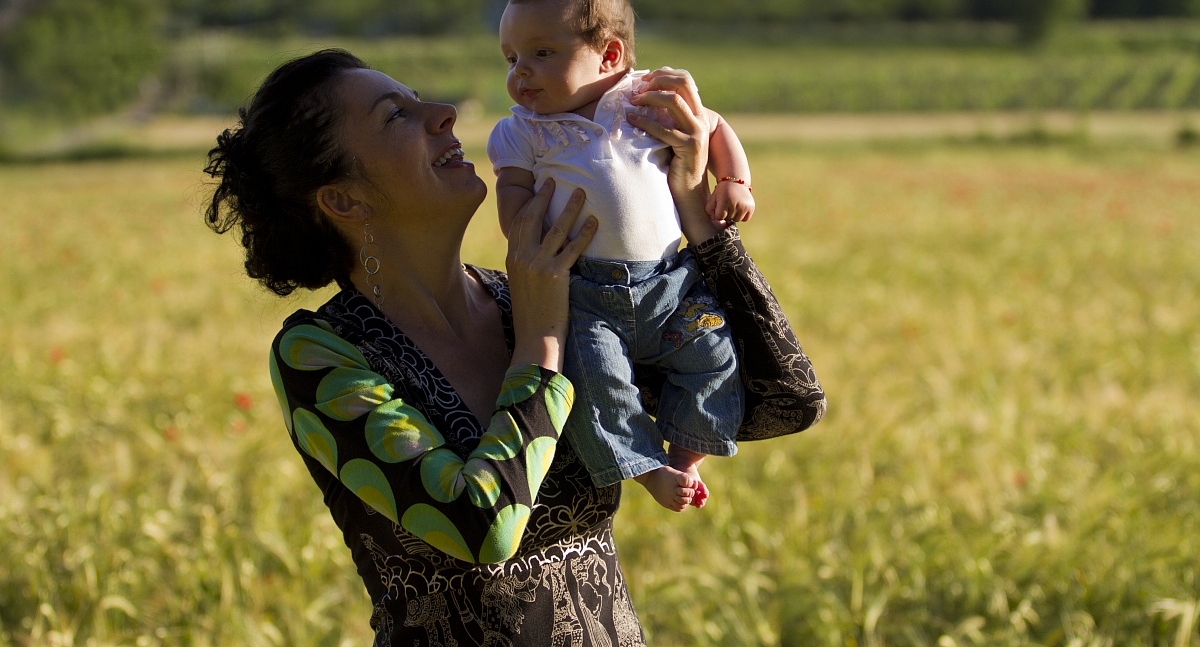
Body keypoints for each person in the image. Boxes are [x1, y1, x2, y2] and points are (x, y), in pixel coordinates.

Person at [204, 47, 824, 645]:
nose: (442, 113)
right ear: (343, 199)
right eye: (396, 115)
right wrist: (539, 342)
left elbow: (783, 401)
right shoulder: (322, 354)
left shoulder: (532, 296)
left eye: (419, 100)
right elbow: (482, 525)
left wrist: (695, 211)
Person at [487, 0, 755, 511]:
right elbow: (511, 188)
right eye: (511, 58)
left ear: (610, 54)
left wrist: (733, 179)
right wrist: (520, 225)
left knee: (717, 352)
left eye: (542, 54)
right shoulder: (525, 131)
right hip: (587, 296)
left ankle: (686, 453)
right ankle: (646, 469)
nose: (521, 73)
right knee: (596, 386)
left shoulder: (645, 97)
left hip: (670, 284)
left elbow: (715, 124)